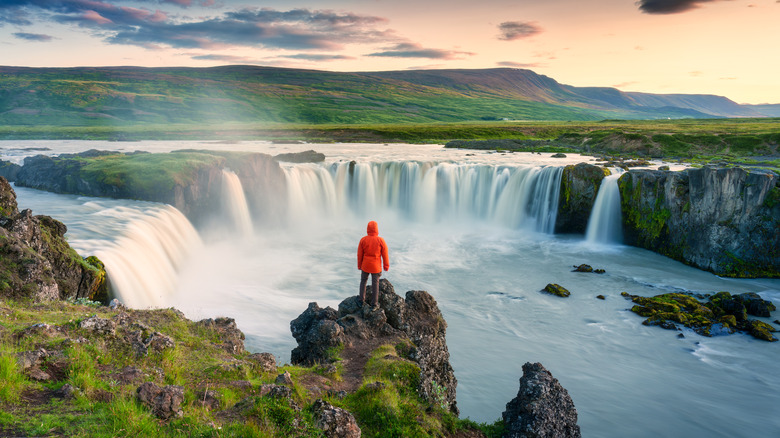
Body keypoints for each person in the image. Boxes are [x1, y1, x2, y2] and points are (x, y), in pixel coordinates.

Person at [357, 220, 389, 308]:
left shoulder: (363, 240)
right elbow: (385, 254)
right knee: (375, 284)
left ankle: (361, 300)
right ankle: (374, 304)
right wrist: (386, 265)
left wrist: (359, 265)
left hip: (365, 265)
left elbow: (359, 254)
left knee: (363, 281)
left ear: (367, 229)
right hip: (376, 267)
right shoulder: (380, 240)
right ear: (377, 229)